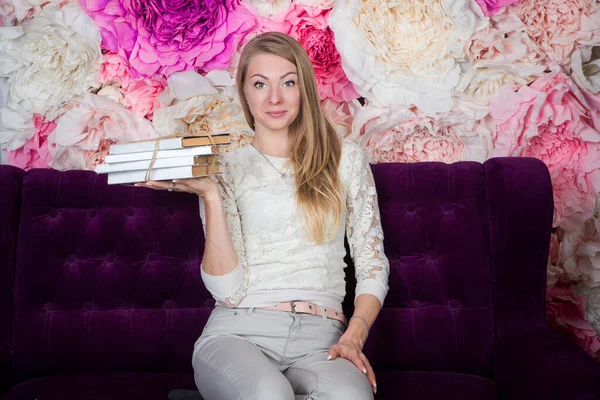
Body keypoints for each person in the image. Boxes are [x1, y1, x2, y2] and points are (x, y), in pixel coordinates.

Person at [137, 32, 390, 400]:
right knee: (269, 394)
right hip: (239, 333)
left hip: (322, 340)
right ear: (245, 93)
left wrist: (354, 336)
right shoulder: (223, 167)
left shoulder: (345, 159)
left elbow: (372, 266)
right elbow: (226, 289)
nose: (275, 98)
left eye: (288, 82)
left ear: (303, 88)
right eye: (260, 84)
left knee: (352, 397)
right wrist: (209, 193)